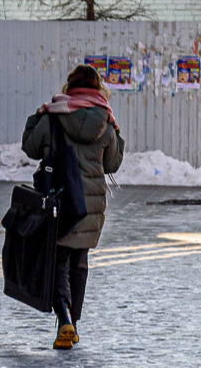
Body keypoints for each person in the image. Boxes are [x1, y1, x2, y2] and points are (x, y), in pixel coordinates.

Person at [22, 64, 125, 350]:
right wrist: (117, 134)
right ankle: (72, 324)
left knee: (58, 261)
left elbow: (30, 147)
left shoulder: (54, 116)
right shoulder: (104, 120)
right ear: (98, 88)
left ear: (70, 87)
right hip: (88, 206)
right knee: (78, 264)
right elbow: (112, 164)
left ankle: (64, 316)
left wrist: (38, 116)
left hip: (58, 199)